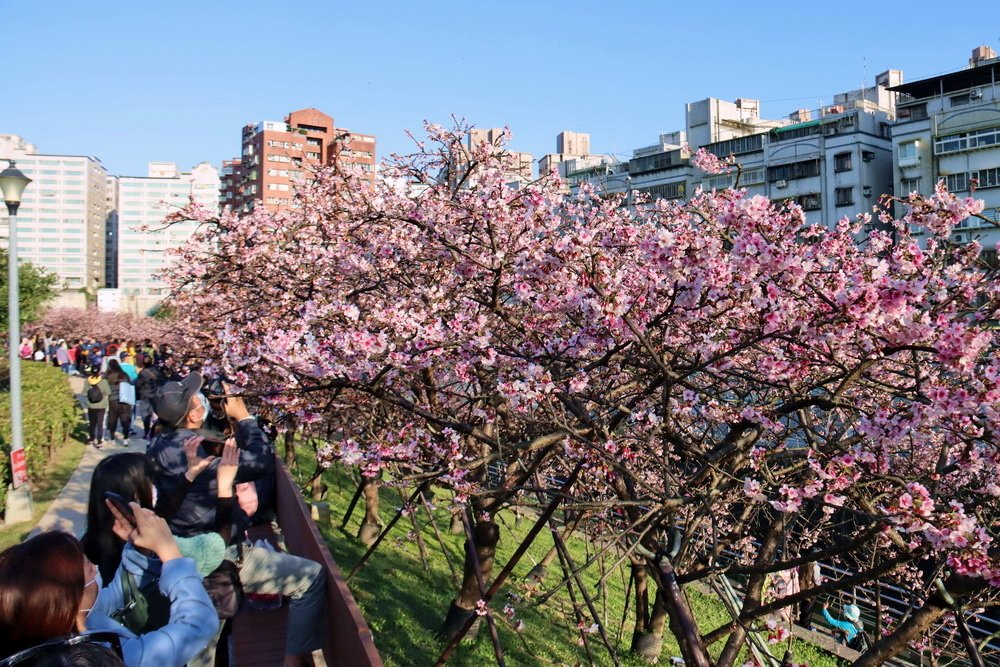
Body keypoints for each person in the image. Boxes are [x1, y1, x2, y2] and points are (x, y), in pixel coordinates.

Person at [147, 372, 326, 666]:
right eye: (198, 398)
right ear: (194, 414)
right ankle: (294, 660)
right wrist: (243, 418)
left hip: (178, 552)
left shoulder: (159, 444)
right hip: (217, 554)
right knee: (311, 578)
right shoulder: (199, 452)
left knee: (201, 646)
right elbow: (260, 462)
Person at [0, 527, 216, 667]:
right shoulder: (109, 658)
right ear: (68, 600)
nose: (95, 568)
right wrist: (171, 555)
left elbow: (115, 595)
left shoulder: (71, 624)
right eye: (88, 567)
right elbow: (197, 625)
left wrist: (139, 550)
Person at [105, 360, 134, 445]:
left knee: (113, 419)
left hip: (113, 400)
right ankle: (125, 438)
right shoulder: (124, 374)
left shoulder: (108, 376)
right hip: (124, 399)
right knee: (125, 419)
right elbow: (130, 383)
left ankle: (112, 438)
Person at [134, 357, 161, 441]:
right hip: (156, 395)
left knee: (146, 416)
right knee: (156, 415)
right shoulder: (157, 371)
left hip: (145, 396)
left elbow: (138, 384)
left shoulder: (142, 373)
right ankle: (156, 432)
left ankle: (146, 432)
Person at [85, 376, 111, 448]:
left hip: (91, 406)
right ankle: (99, 441)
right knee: (100, 424)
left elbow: (84, 393)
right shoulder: (104, 382)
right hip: (101, 406)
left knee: (92, 423)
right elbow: (108, 392)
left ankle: (91, 438)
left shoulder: (87, 381)